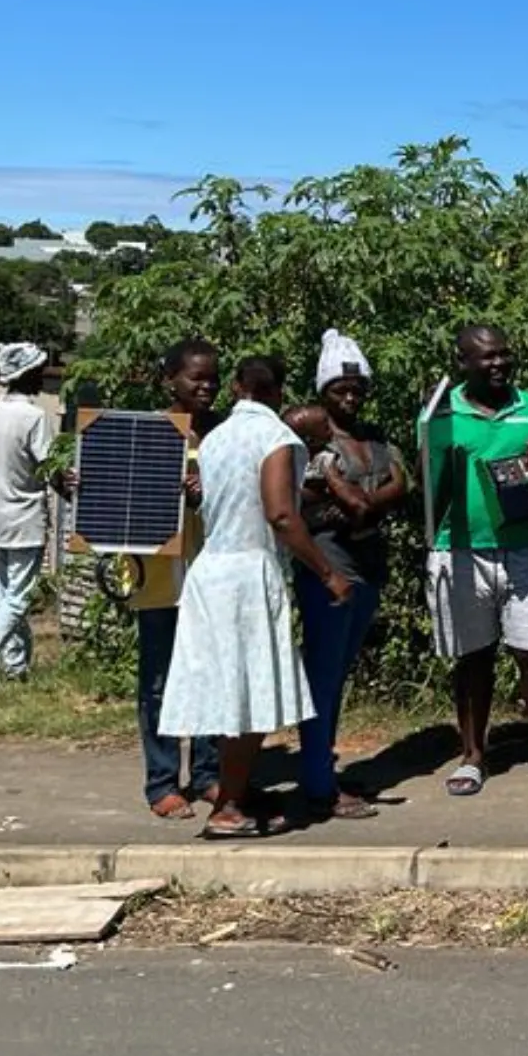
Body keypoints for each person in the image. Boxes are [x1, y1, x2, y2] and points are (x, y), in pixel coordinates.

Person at [159, 355, 343, 839]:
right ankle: (227, 807)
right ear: (280, 391)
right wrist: (327, 573)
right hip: (247, 573)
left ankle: (229, 795)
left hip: (210, 572)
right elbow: (281, 515)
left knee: (229, 694)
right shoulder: (276, 438)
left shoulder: (215, 438)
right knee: (250, 696)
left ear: (237, 387)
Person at [422, 323, 528, 797]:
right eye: (485, 357)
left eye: (503, 355)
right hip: (460, 549)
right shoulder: (441, 415)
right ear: (462, 362)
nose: (497, 364)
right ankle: (473, 756)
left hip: (526, 548)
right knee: (474, 659)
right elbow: (426, 488)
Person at [289, 329, 404, 822]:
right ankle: (318, 781)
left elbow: (400, 483)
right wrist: (353, 504)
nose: (351, 398)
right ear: (323, 393)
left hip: (368, 567)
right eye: (340, 390)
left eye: (358, 390)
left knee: (340, 673)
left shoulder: (374, 439)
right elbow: (300, 502)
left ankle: (326, 769)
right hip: (328, 569)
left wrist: (358, 507)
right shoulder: (307, 442)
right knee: (323, 675)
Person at [126, 339, 222, 818]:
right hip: (160, 578)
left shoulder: (224, 433)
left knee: (208, 676)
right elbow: (118, 496)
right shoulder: (147, 434)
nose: (206, 387)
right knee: (160, 681)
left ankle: (208, 773)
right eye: (195, 378)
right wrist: (80, 485)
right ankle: (162, 781)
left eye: (212, 378)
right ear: (171, 380)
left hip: (211, 575)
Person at [0, 342, 71, 694]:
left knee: (6, 597)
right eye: (40, 369)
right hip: (25, 520)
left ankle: (16, 667)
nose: (44, 375)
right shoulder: (34, 417)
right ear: (27, 374)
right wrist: (74, 492)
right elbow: (49, 468)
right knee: (18, 598)